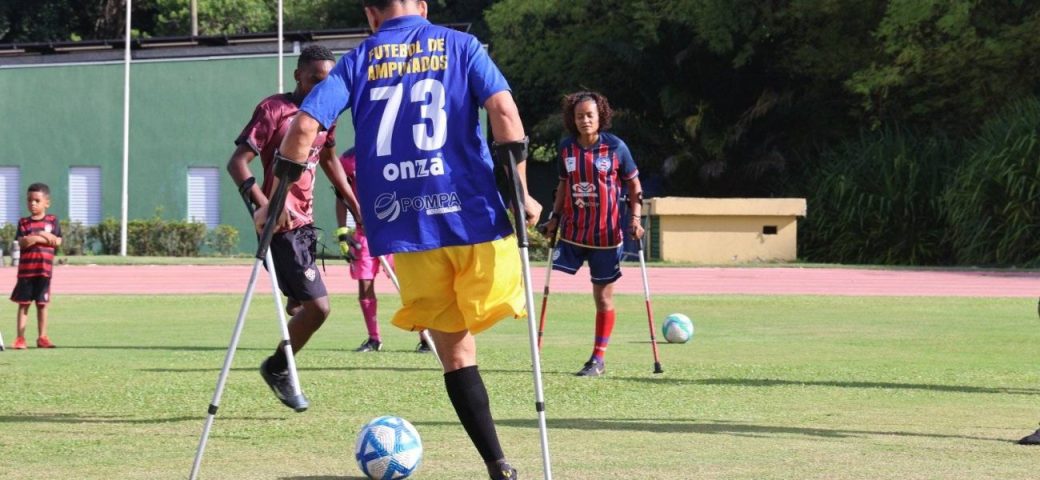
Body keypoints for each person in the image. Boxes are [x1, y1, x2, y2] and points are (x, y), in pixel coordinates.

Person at [273, 1, 541, 478]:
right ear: (421, 5)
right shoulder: (462, 46)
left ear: (370, 13)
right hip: (473, 219)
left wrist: (276, 198)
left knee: (456, 353)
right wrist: (521, 192)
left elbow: (304, 126)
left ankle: (498, 464)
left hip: (408, 231)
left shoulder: (358, 59)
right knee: (497, 315)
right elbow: (503, 110)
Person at [226, 44, 360, 412]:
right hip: (279, 225)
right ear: (298, 75)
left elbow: (330, 160)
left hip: (305, 225)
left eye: (327, 81)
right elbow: (237, 162)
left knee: (302, 305)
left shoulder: (326, 112)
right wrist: (265, 204)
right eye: (315, 79)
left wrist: (354, 205)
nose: (321, 87)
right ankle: (278, 368)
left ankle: (291, 310)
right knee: (319, 308)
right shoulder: (274, 110)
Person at [541, 91, 645, 377]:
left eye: (590, 115)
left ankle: (598, 358)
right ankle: (540, 349)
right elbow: (563, 186)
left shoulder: (615, 148)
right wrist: (554, 218)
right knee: (551, 286)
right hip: (574, 233)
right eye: (579, 116)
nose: (585, 120)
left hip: (606, 236)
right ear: (572, 120)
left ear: (600, 117)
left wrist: (635, 219)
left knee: (602, 298)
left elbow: (635, 187)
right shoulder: (566, 149)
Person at [334, 147, 431, 353]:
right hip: (364, 235)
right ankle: (373, 339)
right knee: (365, 285)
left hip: (394, 231)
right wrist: (343, 232)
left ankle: (426, 337)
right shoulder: (347, 160)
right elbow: (341, 196)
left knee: (409, 284)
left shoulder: (393, 152)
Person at [9, 182, 63, 350]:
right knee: (24, 304)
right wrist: (42, 235)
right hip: (26, 273)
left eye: (37, 200)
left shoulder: (52, 221)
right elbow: (24, 242)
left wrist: (40, 237)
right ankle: (20, 338)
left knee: (42, 304)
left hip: (44, 271)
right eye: (29, 200)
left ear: (46, 202)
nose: (33, 203)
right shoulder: (23, 223)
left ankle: (42, 337)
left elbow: (58, 241)